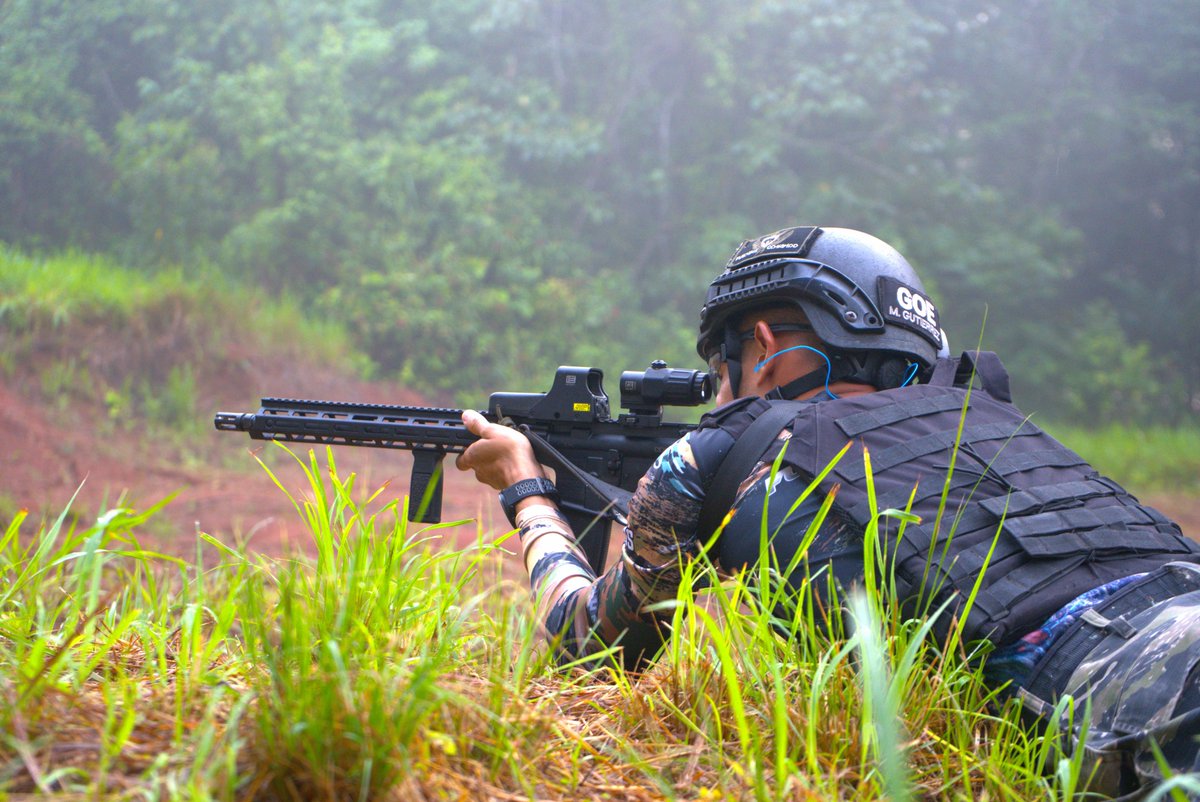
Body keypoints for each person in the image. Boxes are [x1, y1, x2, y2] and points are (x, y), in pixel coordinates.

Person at [455, 225, 1200, 797]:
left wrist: (524, 488)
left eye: (722, 370)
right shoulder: (1003, 425)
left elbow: (591, 646)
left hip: (1132, 691)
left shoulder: (719, 450)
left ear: (768, 343)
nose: (719, 395)